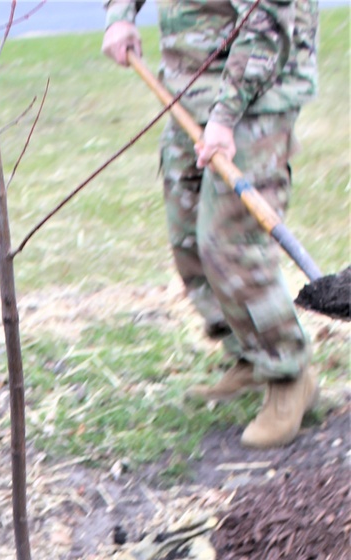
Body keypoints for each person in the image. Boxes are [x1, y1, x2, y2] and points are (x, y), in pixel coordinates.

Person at [102, 0, 319, 447]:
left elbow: (267, 20)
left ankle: (288, 372)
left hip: (255, 95)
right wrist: (120, 13)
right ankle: (248, 352)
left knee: (229, 242)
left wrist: (225, 117)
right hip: (190, 86)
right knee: (188, 238)